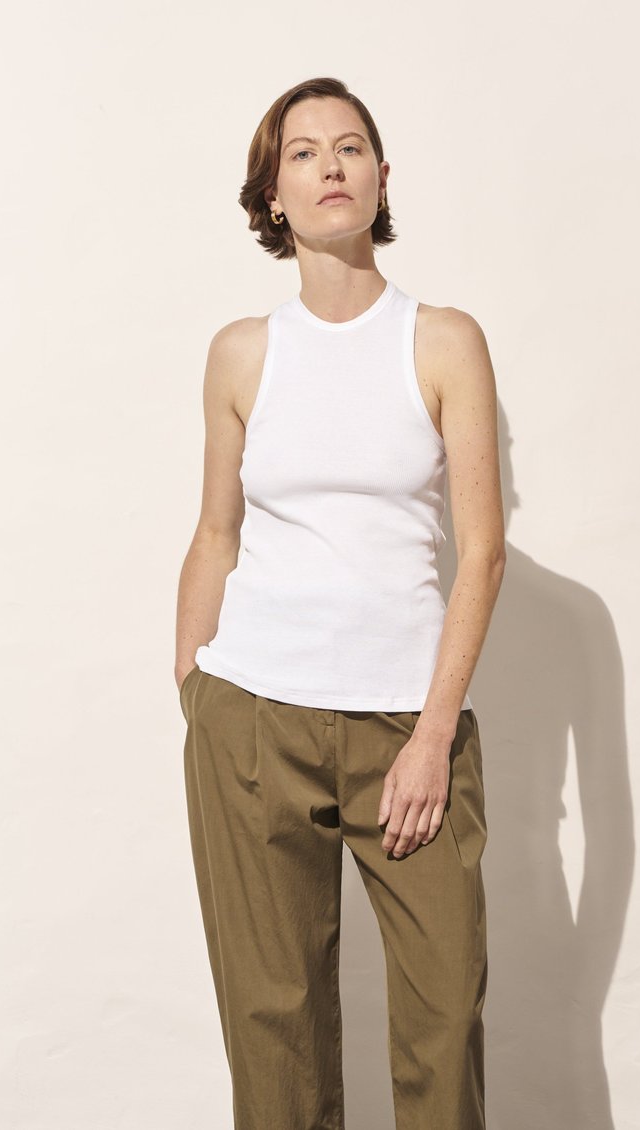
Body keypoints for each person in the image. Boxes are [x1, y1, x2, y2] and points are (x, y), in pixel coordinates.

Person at [174, 75, 505, 1130]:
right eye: (304, 152)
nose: (330, 165)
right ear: (273, 194)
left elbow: (482, 552)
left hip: (406, 723)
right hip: (251, 719)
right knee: (273, 1031)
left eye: (350, 146)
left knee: (442, 1021)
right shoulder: (242, 352)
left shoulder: (441, 339)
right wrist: (197, 692)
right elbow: (215, 531)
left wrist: (434, 734)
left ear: (380, 178)